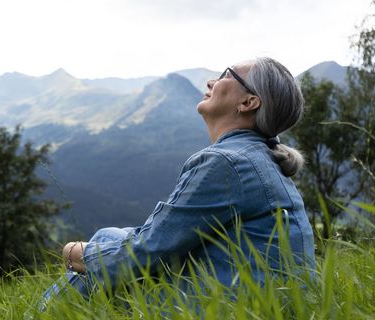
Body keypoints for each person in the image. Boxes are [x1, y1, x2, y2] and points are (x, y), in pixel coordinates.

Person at [39, 57, 316, 309]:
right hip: (270, 303)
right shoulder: (260, 157)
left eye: (225, 75)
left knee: (91, 270)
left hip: (238, 308)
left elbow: (149, 249)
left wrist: (74, 254)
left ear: (248, 103)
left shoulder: (226, 162)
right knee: (108, 240)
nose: (211, 82)